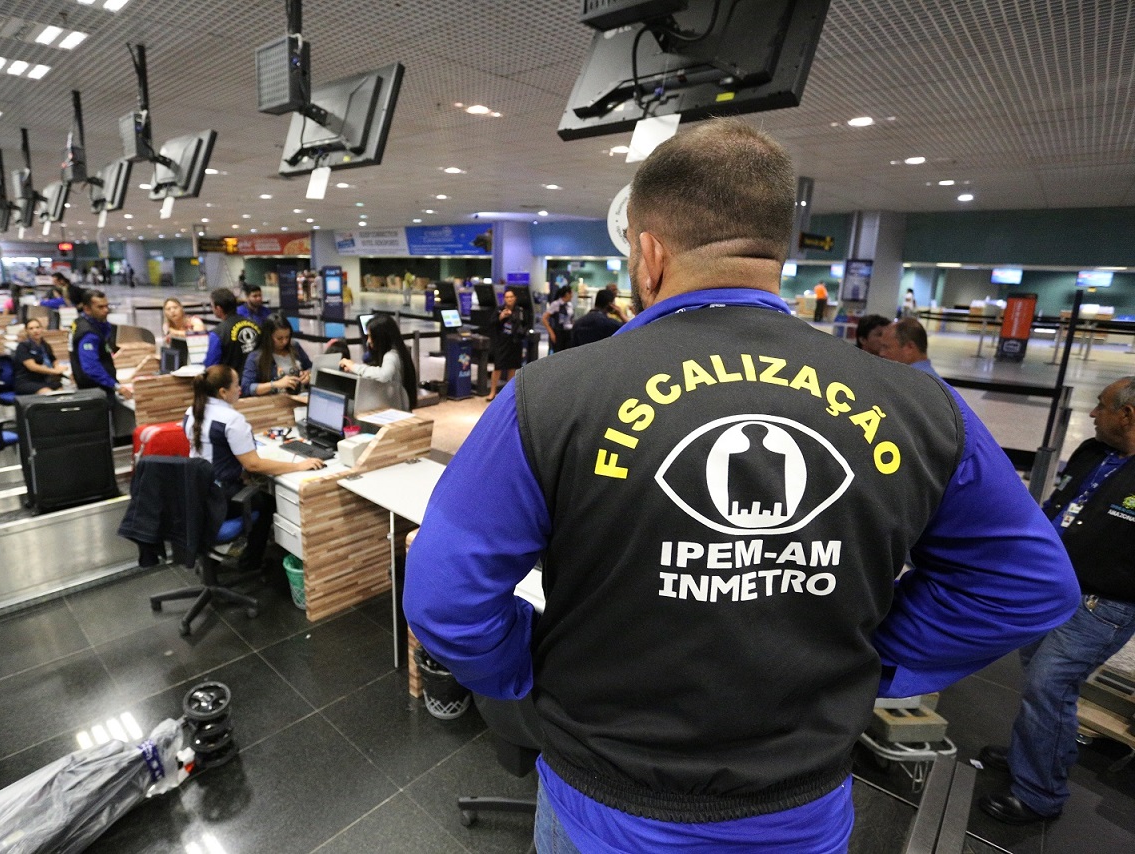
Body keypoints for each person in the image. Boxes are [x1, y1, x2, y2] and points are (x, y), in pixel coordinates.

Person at [403, 118, 1078, 853]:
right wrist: (871, 657)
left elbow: (446, 598)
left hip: (605, 805)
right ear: (778, 251)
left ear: (649, 253)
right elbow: (1028, 586)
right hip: (800, 810)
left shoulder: (549, 397)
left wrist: (529, 672)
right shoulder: (921, 406)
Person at [978, 376, 1135, 825]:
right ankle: (1033, 757)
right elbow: (1058, 505)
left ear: (1127, 414)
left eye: (1101, 406)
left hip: (1101, 606)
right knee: (1039, 683)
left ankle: (1039, 793)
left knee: (1049, 686)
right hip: (1049, 589)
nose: (1092, 414)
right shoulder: (1091, 453)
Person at [184, 365, 324, 572]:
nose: (241, 389)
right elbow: (253, 464)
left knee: (257, 490)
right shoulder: (231, 419)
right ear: (223, 392)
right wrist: (299, 466)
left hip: (199, 493)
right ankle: (251, 562)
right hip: (219, 497)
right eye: (236, 385)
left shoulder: (192, 411)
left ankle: (228, 555)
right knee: (269, 502)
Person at [338, 314, 416, 411]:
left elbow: (383, 375)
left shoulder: (391, 356)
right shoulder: (399, 351)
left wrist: (354, 366)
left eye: (370, 336)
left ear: (381, 337)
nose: (368, 341)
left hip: (396, 411)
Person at [70, 289, 131, 400]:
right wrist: (116, 386)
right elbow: (91, 367)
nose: (106, 310)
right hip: (96, 392)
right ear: (87, 309)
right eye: (100, 307)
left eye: (106, 306)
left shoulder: (89, 323)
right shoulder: (88, 334)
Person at [242, 316, 311, 397]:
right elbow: (246, 388)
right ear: (268, 337)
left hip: (300, 396)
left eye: (287, 337)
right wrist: (275, 384)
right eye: (279, 338)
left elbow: (311, 368)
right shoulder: (256, 357)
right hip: (274, 400)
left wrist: (308, 375)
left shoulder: (294, 347)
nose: (284, 341)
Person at [485, 288, 529, 402]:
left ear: (515, 298)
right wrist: (501, 317)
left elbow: (525, 324)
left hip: (515, 343)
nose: (509, 299)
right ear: (504, 299)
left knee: (512, 367)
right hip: (501, 342)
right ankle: (492, 392)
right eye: (507, 297)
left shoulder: (520, 311)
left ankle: (508, 393)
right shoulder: (499, 309)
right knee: (498, 367)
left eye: (511, 297)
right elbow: (491, 323)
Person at [204, 287, 261, 375]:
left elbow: (211, 366)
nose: (212, 309)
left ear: (218, 309)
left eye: (212, 306)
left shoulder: (217, 334)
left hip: (232, 381)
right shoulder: (256, 325)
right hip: (260, 379)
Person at [13, 318, 68, 395]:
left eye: (37, 327)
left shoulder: (45, 345)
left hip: (44, 380)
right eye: (31, 328)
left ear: (42, 329)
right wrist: (54, 371)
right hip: (27, 381)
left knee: (62, 392)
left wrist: (57, 367)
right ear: (26, 331)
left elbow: (53, 360)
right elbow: (32, 367)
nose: (35, 331)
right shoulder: (23, 346)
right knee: (48, 393)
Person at [541, 286, 574, 352]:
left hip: (569, 332)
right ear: (567, 294)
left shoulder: (570, 305)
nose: (572, 296)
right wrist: (551, 332)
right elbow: (544, 319)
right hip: (559, 333)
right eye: (571, 293)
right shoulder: (556, 304)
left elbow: (571, 318)